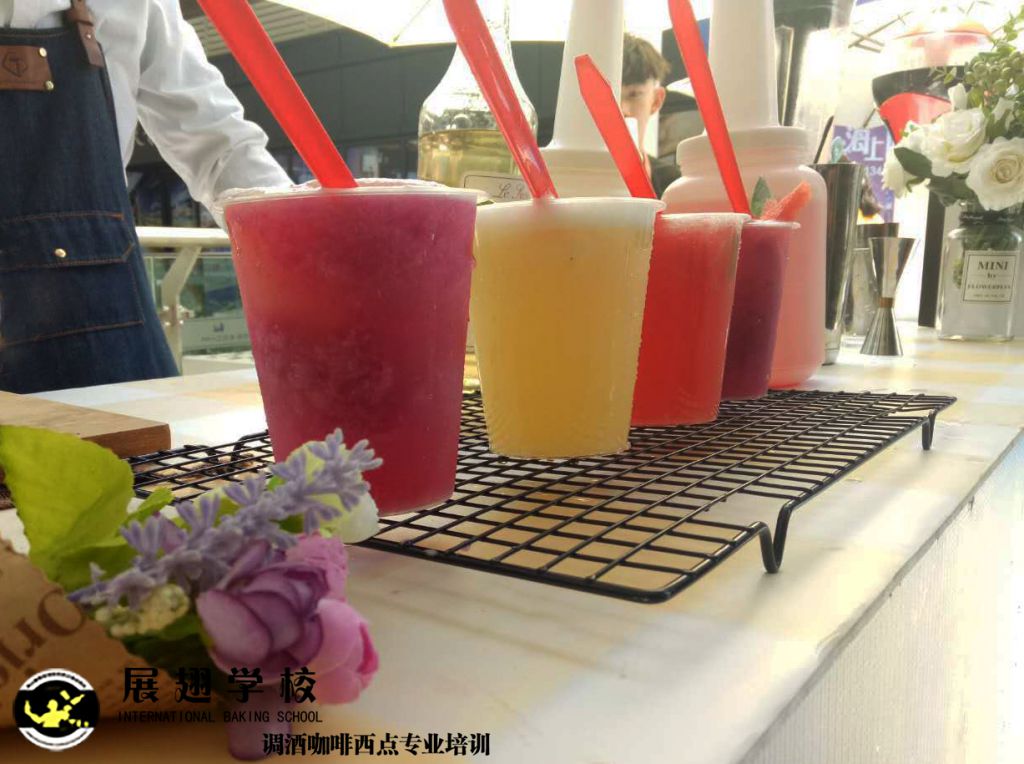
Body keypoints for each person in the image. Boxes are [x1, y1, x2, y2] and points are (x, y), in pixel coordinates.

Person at [0, 0, 290, 395]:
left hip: (101, 314)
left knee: (138, 435)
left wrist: (302, 246)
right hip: (98, 301)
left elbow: (215, 139)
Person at [620, 33, 679, 198]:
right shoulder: (565, 179)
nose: (621, 109)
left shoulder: (675, 187)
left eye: (634, 95)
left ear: (656, 101)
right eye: (608, 96)